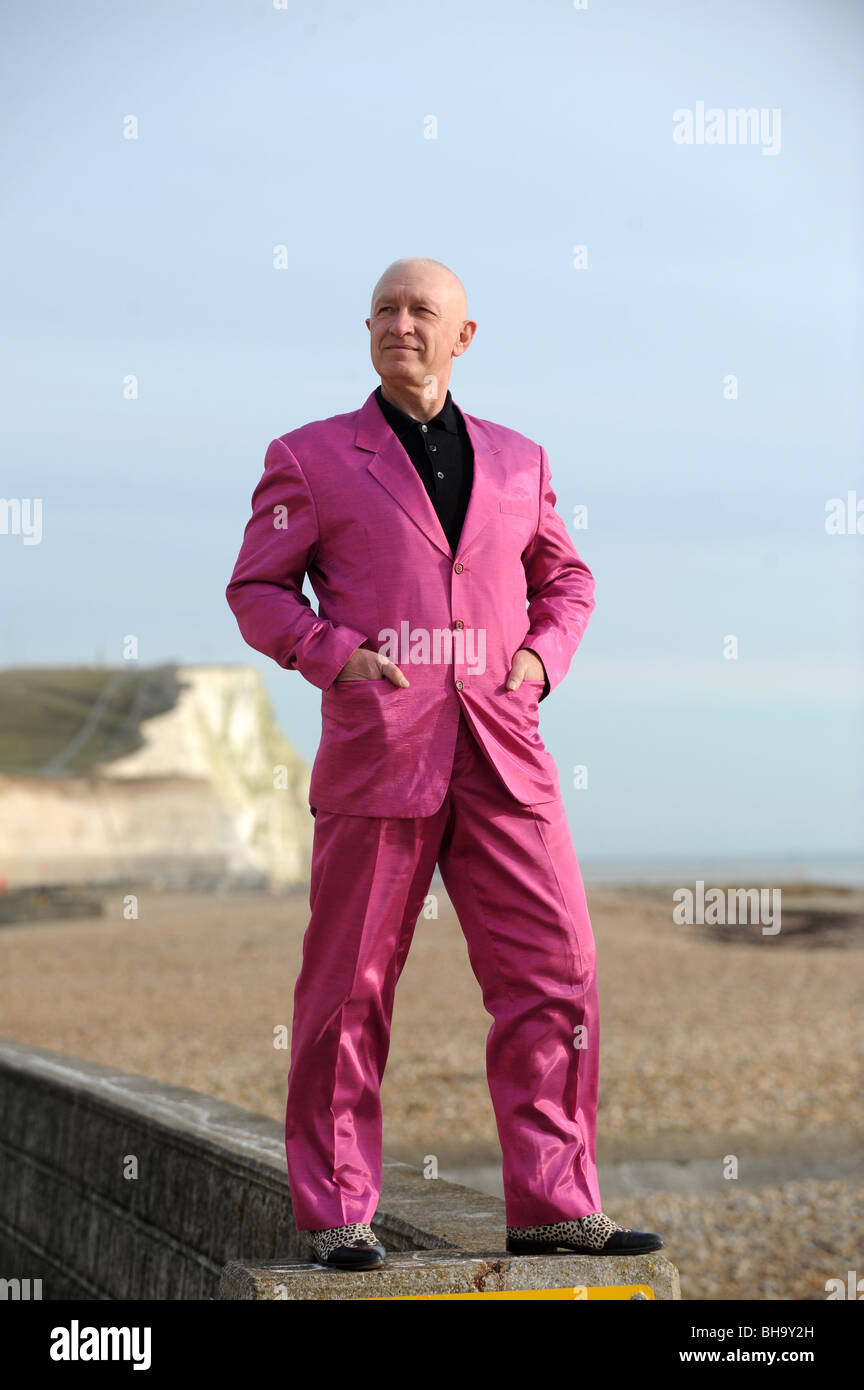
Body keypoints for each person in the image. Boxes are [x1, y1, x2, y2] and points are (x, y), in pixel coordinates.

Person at [225, 257, 664, 1270]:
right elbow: (258, 589)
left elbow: (569, 579)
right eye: (384, 309)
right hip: (382, 748)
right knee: (348, 988)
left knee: (558, 972)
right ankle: (337, 1210)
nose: (400, 324)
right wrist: (339, 656)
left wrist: (537, 661)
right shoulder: (310, 456)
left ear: (464, 336)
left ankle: (554, 1203)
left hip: (507, 750)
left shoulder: (522, 460)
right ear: (367, 329)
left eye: (422, 310)